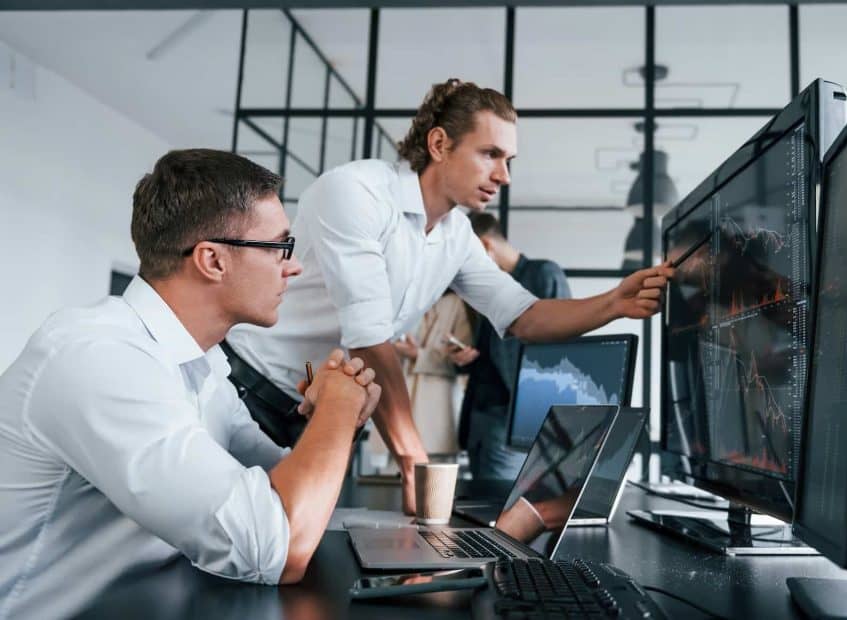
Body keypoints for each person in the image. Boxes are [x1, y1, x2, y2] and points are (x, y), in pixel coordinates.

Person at [227, 78, 674, 515]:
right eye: (490, 154)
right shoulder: (357, 192)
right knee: (228, 561)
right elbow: (369, 339)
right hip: (254, 394)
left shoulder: (457, 235)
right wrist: (414, 462)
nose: (504, 176)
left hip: (325, 414)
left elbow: (524, 316)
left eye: (508, 159)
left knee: (299, 559)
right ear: (439, 144)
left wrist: (615, 303)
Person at [0, 150, 381, 619]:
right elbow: (277, 548)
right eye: (280, 247)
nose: (294, 267)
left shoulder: (199, 362)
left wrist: (332, 417)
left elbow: (281, 489)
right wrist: (339, 407)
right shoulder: (98, 356)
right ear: (213, 261)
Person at [454, 211, 570, 480]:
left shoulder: (543, 273)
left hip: (511, 420)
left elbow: (560, 351)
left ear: (484, 246)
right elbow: (487, 354)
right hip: (478, 420)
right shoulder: (488, 290)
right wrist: (462, 359)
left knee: (501, 509)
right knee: (480, 505)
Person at [392, 290, 475, 456]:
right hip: (400, 402)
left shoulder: (456, 303)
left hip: (436, 408)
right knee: (393, 472)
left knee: (436, 472)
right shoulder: (405, 297)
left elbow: (462, 361)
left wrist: (418, 355)